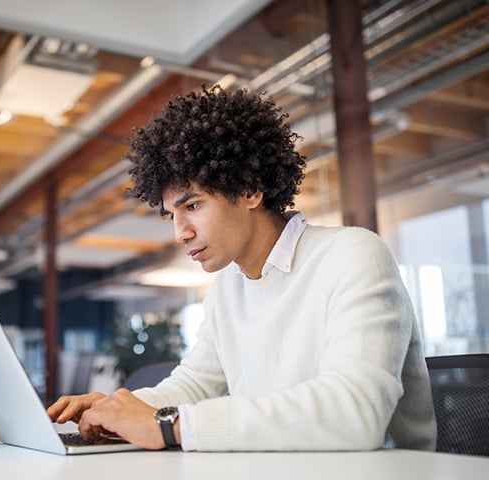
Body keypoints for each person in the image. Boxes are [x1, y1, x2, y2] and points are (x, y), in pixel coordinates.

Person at [47, 85, 437, 452]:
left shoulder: (352, 255)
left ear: (250, 190)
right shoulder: (229, 288)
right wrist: (117, 409)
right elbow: (196, 386)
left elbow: (356, 412)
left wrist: (171, 426)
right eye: (171, 216)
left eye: (193, 205)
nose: (180, 233)